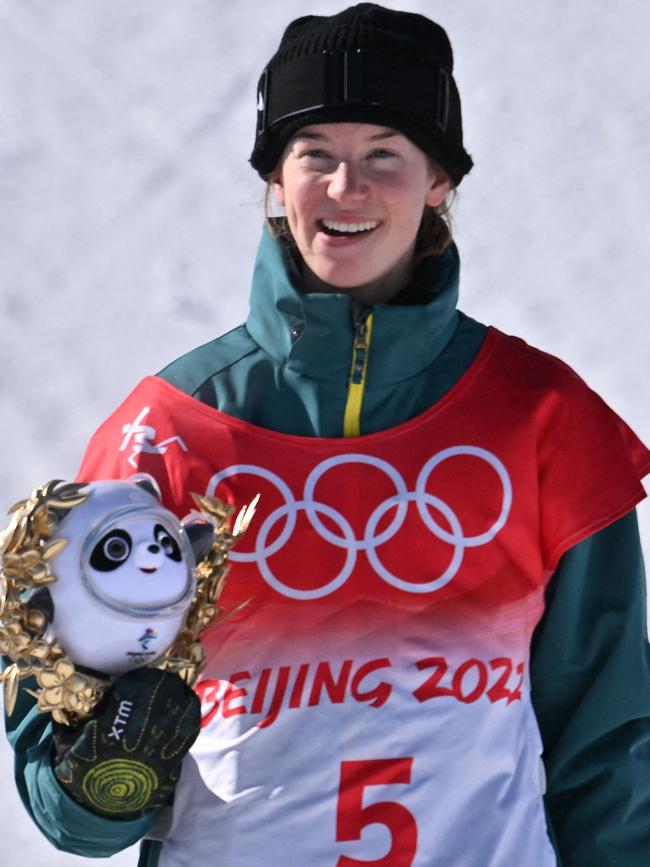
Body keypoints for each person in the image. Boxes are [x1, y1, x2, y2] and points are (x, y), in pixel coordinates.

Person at [5, 4, 650, 866]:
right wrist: (102, 773)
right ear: (276, 178)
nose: (347, 189)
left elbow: (611, 745)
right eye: (316, 155)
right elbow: (70, 794)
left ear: (439, 182)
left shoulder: (542, 421)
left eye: (384, 153)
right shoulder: (169, 434)